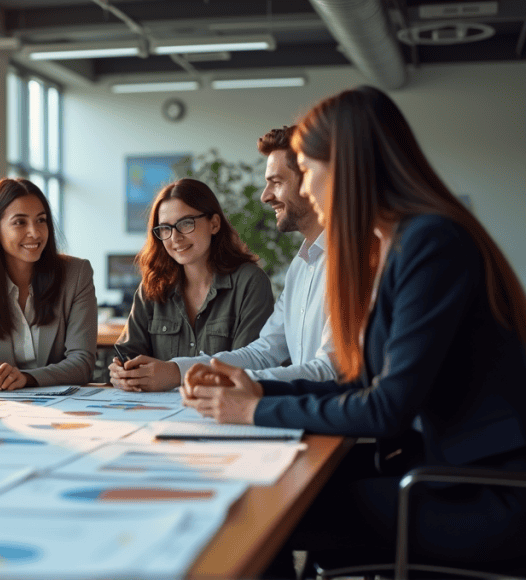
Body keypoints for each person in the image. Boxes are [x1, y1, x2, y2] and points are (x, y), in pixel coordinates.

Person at [184, 86, 526, 566]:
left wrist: (253, 412)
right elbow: (365, 385)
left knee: (254, 507)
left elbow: (385, 408)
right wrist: (257, 394)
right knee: (260, 487)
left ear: (346, 167)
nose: (304, 188)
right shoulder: (406, 239)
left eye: (310, 170)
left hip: (479, 494)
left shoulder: (431, 241)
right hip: (435, 469)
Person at [110, 128, 335, 391]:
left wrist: (191, 376)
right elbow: (262, 353)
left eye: (276, 182)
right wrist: (177, 371)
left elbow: (331, 370)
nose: (265, 196)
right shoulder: (301, 266)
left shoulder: (350, 264)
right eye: (166, 229)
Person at [108, 178, 274, 390]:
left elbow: (250, 364)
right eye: (165, 228)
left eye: (186, 223)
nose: (175, 238)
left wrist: (176, 375)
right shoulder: (152, 286)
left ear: (214, 224)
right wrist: (121, 373)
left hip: (224, 410)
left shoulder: (250, 282)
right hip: (158, 415)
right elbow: (128, 353)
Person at [0, 178, 97, 390]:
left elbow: (82, 363)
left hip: (65, 407)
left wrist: (26, 377)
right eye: (20, 222)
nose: (35, 233)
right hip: (5, 407)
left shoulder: (76, 275)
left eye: (41, 220)